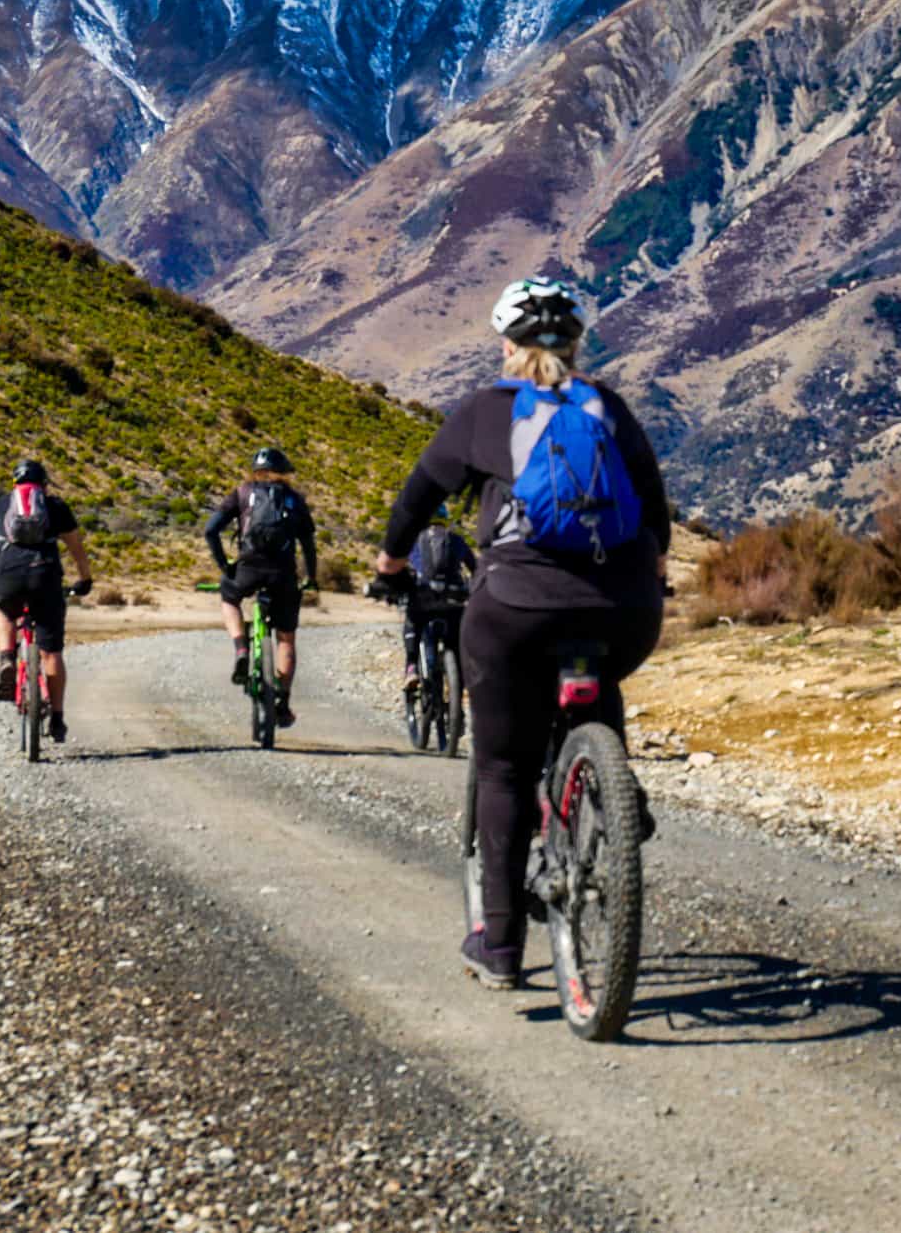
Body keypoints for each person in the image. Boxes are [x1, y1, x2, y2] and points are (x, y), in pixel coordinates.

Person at [374, 277, 669, 989]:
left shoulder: (486, 411)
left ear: (506, 346)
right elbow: (656, 516)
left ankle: (500, 947)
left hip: (515, 606)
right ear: (575, 345)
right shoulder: (609, 408)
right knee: (596, 666)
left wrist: (389, 565)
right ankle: (614, 787)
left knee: (503, 766)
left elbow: (418, 497)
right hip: (623, 609)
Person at [0, 460, 94, 743]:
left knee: (5, 611)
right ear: (44, 484)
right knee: (51, 653)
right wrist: (84, 580)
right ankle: (57, 718)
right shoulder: (55, 506)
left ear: (15, 484)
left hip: (9, 575)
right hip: (45, 575)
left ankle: (7, 657)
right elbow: (76, 548)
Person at [205, 447, 319, 729]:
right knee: (286, 639)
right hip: (283, 574)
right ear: (284, 472)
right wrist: (311, 577)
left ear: (254, 470)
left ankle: (241, 648)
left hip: (248, 568)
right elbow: (308, 544)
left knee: (229, 599)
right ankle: (283, 700)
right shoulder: (295, 500)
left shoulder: (242, 493)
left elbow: (211, 530)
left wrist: (225, 566)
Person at [402, 500, 477, 696]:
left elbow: (400, 568)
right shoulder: (457, 540)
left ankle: (411, 668)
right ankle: (462, 679)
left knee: (412, 621)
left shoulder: (414, 541)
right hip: (454, 599)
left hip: (424, 599)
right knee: (456, 638)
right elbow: (476, 569)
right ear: (444, 520)